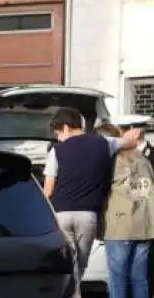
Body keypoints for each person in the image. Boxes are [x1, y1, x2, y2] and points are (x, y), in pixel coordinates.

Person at [42, 107, 138, 277]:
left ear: (65, 127)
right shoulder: (103, 143)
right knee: (80, 264)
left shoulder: (56, 151)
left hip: (61, 214)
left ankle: (70, 297)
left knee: (67, 264)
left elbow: (48, 191)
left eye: (58, 133)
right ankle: (76, 294)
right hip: (88, 216)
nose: (58, 138)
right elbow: (131, 139)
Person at [100, 114, 154, 298]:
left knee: (119, 279)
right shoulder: (144, 160)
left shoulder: (112, 160)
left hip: (119, 224)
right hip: (145, 224)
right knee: (140, 279)